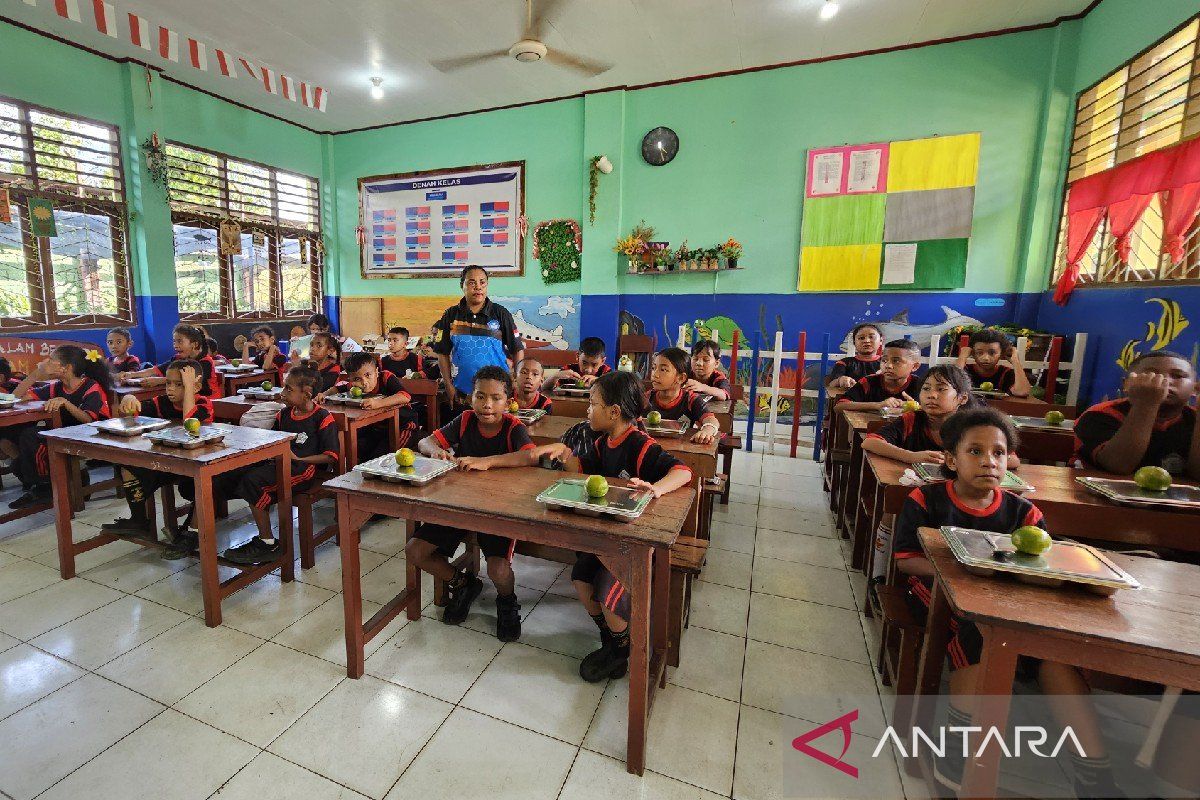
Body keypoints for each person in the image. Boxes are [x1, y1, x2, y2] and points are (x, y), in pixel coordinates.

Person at [891, 407, 1120, 797]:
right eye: (975, 452)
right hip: (938, 595)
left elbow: (1043, 563)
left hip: (1009, 601)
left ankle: (1094, 774)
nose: (988, 462)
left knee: (1054, 650)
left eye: (997, 453)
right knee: (978, 629)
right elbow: (907, 559)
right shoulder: (925, 499)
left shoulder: (1024, 511)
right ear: (950, 459)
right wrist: (965, 569)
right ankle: (955, 753)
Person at [532, 371, 693, 681]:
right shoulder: (602, 442)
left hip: (630, 545)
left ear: (614, 412)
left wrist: (655, 488)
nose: (588, 410)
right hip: (603, 538)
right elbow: (583, 471)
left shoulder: (639, 444)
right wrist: (565, 456)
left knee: (608, 595)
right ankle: (613, 641)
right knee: (580, 580)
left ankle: (623, 649)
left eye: (593, 404)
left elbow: (682, 471)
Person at [406, 366, 537, 641]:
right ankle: (463, 583)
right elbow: (426, 442)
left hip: (498, 510)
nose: (487, 404)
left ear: (508, 400)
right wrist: (437, 451)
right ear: (471, 398)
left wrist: (487, 462)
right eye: (480, 396)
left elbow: (530, 458)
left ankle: (507, 601)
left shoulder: (514, 427)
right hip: (458, 505)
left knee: (498, 570)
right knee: (416, 551)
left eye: (496, 398)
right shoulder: (464, 420)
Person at [217, 367, 341, 565]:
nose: (282, 393)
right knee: (234, 473)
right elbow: (271, 439)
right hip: (278, 463)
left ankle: (268, 543)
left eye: (288, 389)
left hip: (303, 470)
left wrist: (298, 459)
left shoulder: (322, 417)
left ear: (307, 393)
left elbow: (331, 457)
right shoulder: (283, 415)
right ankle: (194, 532)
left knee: (253, 481)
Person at [100, 360, 212, 542]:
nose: (171, 389)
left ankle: (192, 533)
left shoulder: (203, 404)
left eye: (179, 384)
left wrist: (190, 388)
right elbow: (136, 411)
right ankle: (138, 520)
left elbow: (189, 425)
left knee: (199, 488)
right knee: (128, 466)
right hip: (166, 464)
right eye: (168, 383)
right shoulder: (161, 403)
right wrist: (130, 399)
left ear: (196, 387)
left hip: (196, 468)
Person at [5, 345, 113, 508]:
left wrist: (66, 403)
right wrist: (35, 374)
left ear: (66, 368)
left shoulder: (90, 386)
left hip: (89, 434)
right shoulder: (56, 387)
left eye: (51, 360)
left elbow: (89, 420)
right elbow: (15, 397)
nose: (46, 362)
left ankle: (45, 487)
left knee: (33, 438)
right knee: (23, 434)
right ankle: (44, 484)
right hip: (64, 431)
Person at [1073, 350, 1199, 479]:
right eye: (1151, 374)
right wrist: (1146, 403)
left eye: (1178, 376)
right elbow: (1117, 466)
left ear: (1195, 389)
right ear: (1127, 384)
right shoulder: (1099, 414)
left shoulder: (1195, 417)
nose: (1165, 380)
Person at [433, 266, 525, 408]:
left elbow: (517, 349)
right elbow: (442, 352)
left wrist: (517, 380)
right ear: (462, 285)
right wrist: (448, 383)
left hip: (497, 393)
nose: (478, 287)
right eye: (472, 283)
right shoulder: (450, 315)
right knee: (465, 428)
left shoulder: (501, 313)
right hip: (462, 392)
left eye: (482, 282)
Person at [862, 365, 974, 465]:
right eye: (926, 389)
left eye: (941, 389)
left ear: (962, 398)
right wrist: (911, 456)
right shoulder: (912, 420)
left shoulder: (974, 428)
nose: (931, 395)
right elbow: (870, 442)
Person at [328, 351, 419, 461]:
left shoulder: (385, 377)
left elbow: (405, 396)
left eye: (368, 375)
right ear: (350, 380)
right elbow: (337, 389)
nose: (364, 382)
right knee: (355, 449)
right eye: (357, 379)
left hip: (403, 426)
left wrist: (378, 403)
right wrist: (323, 395)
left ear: (376, 372)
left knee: (383, 457)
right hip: (375, 429)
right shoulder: (353, 387)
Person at [120, 324, 221, 397]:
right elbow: (155, 370)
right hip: (183, 398)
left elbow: (191, 381)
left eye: (180, 341)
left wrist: (160, 381)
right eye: (174, 341)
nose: (175, 345)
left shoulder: (205, 362)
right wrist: (131, 375)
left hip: (207, 400)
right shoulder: (178, 359)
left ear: (194, 344)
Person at [647, 347, 720, 445]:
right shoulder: (646, 398)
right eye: (653, 368)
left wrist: (706, 431)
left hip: (680, 451)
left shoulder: (691, 399)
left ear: (681, 378)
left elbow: (712, 420)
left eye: (663, 370)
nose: (655, 374)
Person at [836, 339, 923, 412]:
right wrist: (878, 405)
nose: (888, 366)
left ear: (915, 366)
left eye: (896, 361)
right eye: (884, 360)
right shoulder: (869, 382)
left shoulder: (922, 386)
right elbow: (840, 406)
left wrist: (916, 407)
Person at [956, 329, 1032, 397]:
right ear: (972, 353)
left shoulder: (1006, 373)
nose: (986, 358)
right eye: (979, 353)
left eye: (992, 353)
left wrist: (1015, 361)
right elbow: (952, 386)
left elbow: (1022, 392)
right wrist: (962, 357)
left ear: (1002, 354)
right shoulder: (964, 369)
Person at [542, 336, 611, 392]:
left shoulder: (606, 372)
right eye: (584, 363)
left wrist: (598, 381)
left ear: (602, 361)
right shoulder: (569, 370)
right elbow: (543, 389)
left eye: (594, 365)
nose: (588, 370)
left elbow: (616, 391)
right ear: (577, 356)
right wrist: (556, 376)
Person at [828, 323, 883, 389]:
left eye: (871, 337)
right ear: (854, 343)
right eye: (861, 338)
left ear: (881, 341)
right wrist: (840, 380)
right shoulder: (844, 363)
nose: (866, 341)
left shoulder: (887, 363)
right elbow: (831, 384)